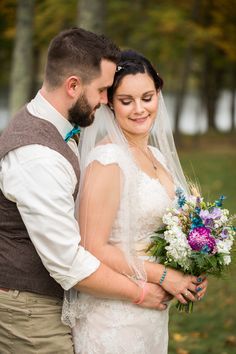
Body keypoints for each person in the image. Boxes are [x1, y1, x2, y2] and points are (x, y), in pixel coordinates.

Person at [0, 29, 171, 354]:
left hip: (59, 301)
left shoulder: (61, 130)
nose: (107, 101)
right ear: (73, 85)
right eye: (104, 90)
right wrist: (142, 290)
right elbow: (68, 260)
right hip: (29, 311)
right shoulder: (38, 155)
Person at [69, 50, 208, 354]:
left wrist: (189, 272)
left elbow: (171, 229)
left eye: (147, 97)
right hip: (115, 316)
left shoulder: (156, 156)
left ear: (158, 93)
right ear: (110, 103)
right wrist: (163, 276)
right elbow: (93, 247)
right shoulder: (108, 161)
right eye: (126, 101)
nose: (139, 109)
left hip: (153, 313)